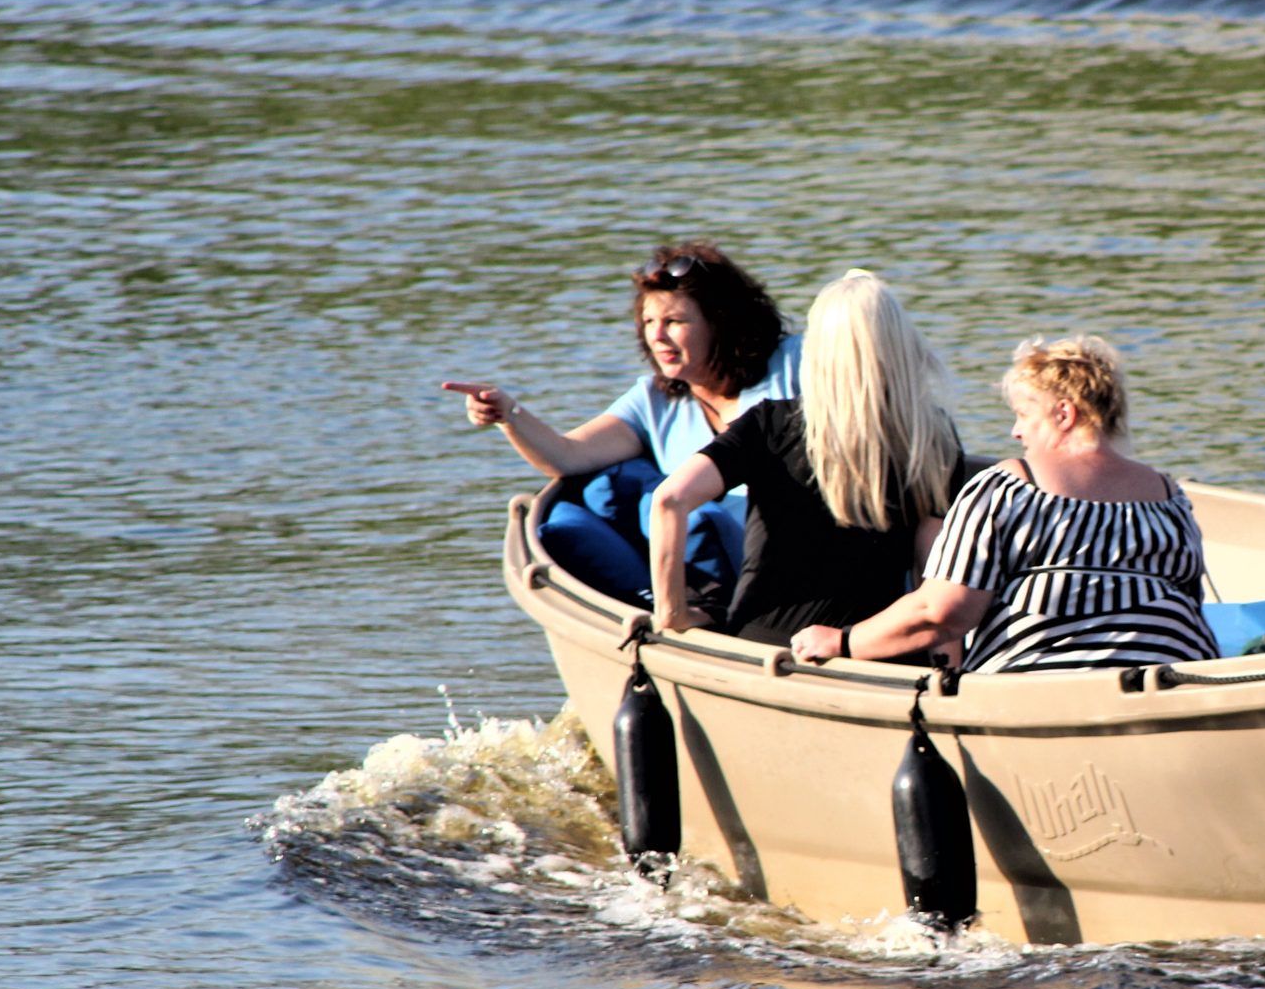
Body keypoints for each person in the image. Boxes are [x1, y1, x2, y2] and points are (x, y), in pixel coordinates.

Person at [789, 335, 1218, 674]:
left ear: (1064, 414)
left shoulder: (1009, 488)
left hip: (1041, 687)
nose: (1015, 431)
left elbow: (940, 612)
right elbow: (1187, 607)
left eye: (1023, 414)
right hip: (1168, 683)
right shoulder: (1170, 498)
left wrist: (843, 641)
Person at [443, 243, 801, 607]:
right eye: (649, 322)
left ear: (720, 322)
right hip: (728, 585)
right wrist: (508, 413)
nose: (657, 336)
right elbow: (568, 455)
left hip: (808, 564)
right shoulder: (653, 400)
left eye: (674, 322)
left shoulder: (794, 363)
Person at [644, 270, 964, 649]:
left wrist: (672, 614)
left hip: (763, 645)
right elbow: (933, 580)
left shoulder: (770, 425)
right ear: (900, 346)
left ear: (817, 351)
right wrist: (946, 671)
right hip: (869, 649)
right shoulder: (932, 438)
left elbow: (669, 501)